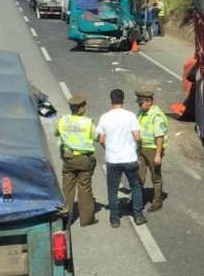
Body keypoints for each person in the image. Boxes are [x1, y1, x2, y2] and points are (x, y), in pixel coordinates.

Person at [96, 88, 146, 228]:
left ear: (111, 101)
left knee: (112, 190)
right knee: (135, 186)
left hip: (113, 160)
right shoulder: (130, 116)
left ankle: (115, 219)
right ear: (123, 100)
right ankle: (138, 215)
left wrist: (108, 149)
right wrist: (138, 149)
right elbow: (137, 136)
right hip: (129, 158)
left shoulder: (105, 117)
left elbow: (101, 139)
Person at [56, 94, 98, 226]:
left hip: (68, 158)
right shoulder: (87, 122)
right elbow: (96, 137)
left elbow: (56, 133)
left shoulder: (63, 120)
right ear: (80, 109)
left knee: (67, 189)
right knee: (84, 188)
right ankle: (86, 219)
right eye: (83, 106)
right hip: (83, 159)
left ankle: (65, 220)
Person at [135, 86, 168, 212]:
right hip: (141, 149)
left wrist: (158, 155)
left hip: (153, 150)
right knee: (139, 175)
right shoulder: (140, 113)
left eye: (141, 102)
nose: (139, 105)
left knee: (156, 177)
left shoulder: (156, 116)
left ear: (149, 101)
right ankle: (137, 201)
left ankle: (157, 202)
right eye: (138, 103)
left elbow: (159, 137)